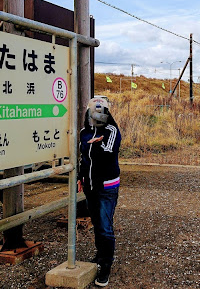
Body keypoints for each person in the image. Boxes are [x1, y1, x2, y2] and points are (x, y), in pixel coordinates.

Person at [77, 97, 121, 287]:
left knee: (105, 225)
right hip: (90, 185)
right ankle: (101, 253)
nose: (96, 116)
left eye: (100, 111)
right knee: (96, 223)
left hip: (107, 185)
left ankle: (106, 264)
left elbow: (106, 153)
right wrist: (80, 176)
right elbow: (83, 157)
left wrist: (92, 146)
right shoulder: (84, 132)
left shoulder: (112, 131)